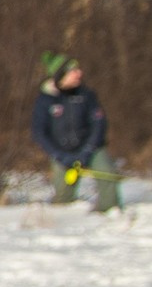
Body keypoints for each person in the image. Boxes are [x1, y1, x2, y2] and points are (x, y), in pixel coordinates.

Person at [32, 50, 121, 213]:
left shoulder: (86, 95)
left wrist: (87, 150)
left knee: (107, 173)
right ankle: (65, 223)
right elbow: (39, 132)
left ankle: (110, 213)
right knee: (62, 195)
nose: (79, 73)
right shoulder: (45, 100)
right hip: (62, 152)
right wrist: (59, 155)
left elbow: (98, 124)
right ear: (62, 76)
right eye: (74, 71)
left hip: (91, 147)